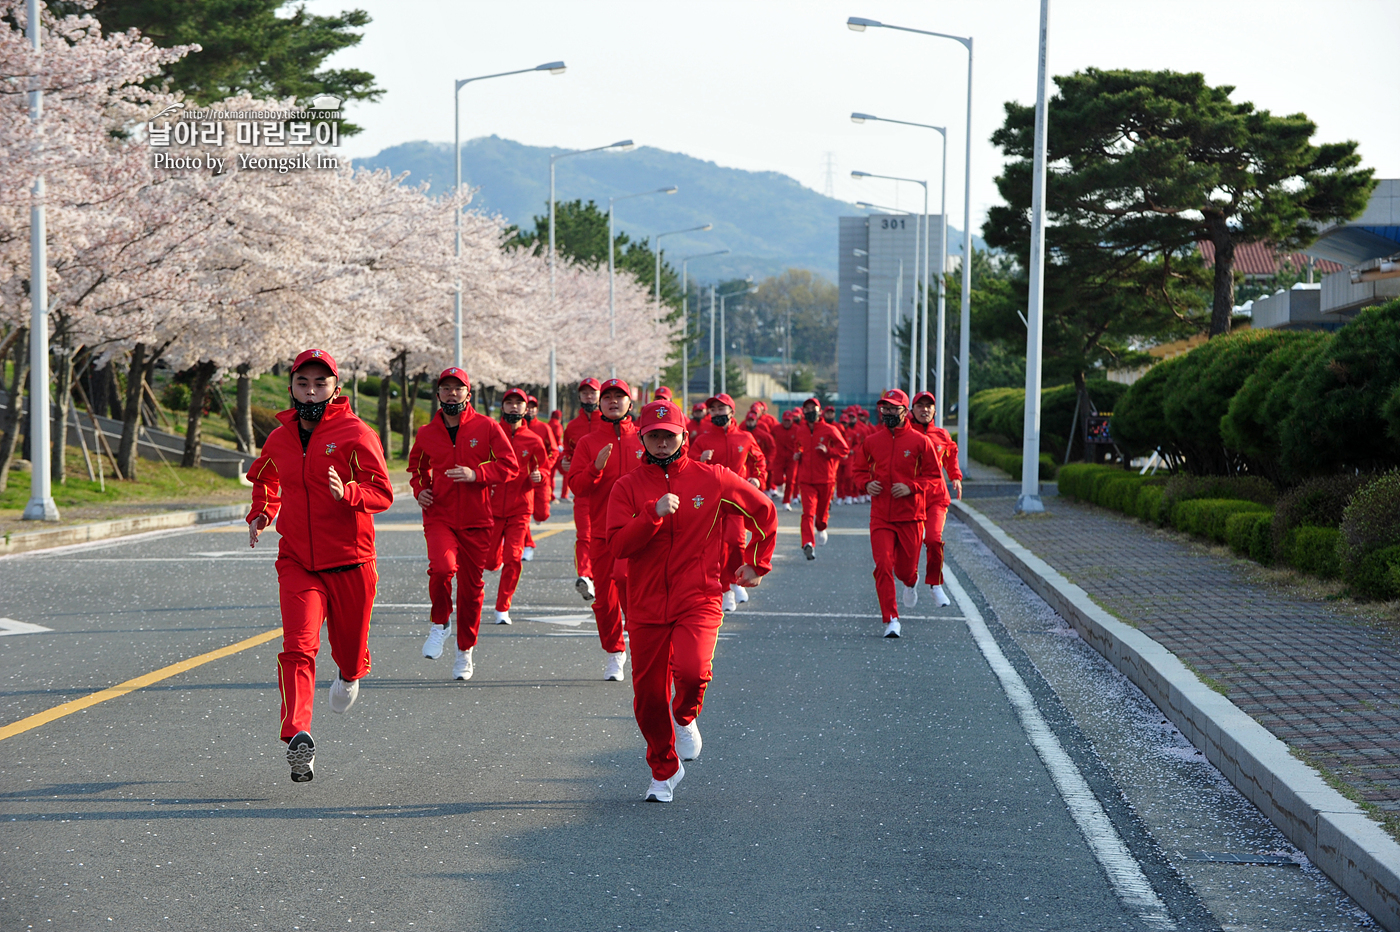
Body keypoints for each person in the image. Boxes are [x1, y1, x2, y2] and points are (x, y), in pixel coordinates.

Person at [607, 400, 777, 802]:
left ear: (684, 436)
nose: (662, 443)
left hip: (698, 596)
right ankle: (663, 771)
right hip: (646, 603)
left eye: (670, 435)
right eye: (654, 436)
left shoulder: (713, 478)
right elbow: (617, 545)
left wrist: (756, 563)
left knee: (692, 671)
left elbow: (764, 511)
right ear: (643, 439)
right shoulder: (627, 487)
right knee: (648, 697)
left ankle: (685, 717)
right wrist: (653, 513)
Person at [246, 348, 394, 783]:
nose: (311, 391)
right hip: (298, 561)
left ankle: (350, 674)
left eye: (320, 383)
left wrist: (348, 492)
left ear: (336, 388)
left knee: (347, 653)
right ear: (291, 387)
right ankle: (297, 735)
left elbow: (382, 493)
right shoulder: (280, 437)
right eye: (303, 383)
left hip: (350, 561)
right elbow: (267, 479)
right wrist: (261, 513)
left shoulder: (355, 433)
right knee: (298, 646)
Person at [408, 367, 520, 681]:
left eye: (458, 388)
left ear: (467, 393)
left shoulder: (486, 427)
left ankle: (464, 651)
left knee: (471, 590)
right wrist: (421, 490)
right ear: (438, 394)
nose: (452, 393)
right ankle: (440, 622)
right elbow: (416, 467)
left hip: (477, 518)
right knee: (442, 568)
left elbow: (509, 466)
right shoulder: (427, 432)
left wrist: (477, 474)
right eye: (446, 388)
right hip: (439, 514)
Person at [566, 378, 643, 681]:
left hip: (641, 532)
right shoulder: (587, 443)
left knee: (629, 584)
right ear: (599, 404)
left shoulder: (644, 439)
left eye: (619, 397)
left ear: (629, 404)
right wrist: (595, 468)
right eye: (607, 397)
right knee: (605, 600)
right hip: (603, 531)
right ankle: (615, 653)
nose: (613, 401)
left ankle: (640, 643)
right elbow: (577, 486)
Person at [850, 389, 941, 639]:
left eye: (893, 409)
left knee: (904, 571)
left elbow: (934, 477)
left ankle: (911, 582)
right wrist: (866, 484)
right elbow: (857, 469)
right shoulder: (872, 441)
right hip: (881, 516)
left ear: (905, 412)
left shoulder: (921, 442)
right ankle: (891, 619)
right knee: (883, 565)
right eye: (885, 409)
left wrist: (911, 487)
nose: (888, 413)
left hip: (911, 516)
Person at [690, 393, 767, 611]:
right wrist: (700, 460)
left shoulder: (744, 437)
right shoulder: (703, 440)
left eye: (720, 409)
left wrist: (758, 479)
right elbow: (687, 466)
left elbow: (759, 459)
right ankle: (725, 591)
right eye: (712, 410)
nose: (716, 413)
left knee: (736, 542)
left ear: (731, 412)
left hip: (736, 499)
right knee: (716, 547)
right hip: (711, 502)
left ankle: (734, 581)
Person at [486, 388, 549, 625]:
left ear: (526, 408)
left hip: (520, 507)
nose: (514, 407)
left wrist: (540, 477)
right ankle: (494, 562)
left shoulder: (533, 440)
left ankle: (503, 607)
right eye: (509, 402)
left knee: (513, 557)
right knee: (490, 561)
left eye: (518, 403)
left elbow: (543, 469)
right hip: (490, 508)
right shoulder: (491, 433)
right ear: (502, 407)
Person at [909, 390, 962, 607]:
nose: (924, 409)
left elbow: (951, 457)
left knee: (933, 539)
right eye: (919, 405)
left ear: (935, 411)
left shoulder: (942, 435)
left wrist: (956, 477)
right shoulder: (904, 434)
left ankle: (935, 584)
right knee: (910, 546)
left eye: (928, 405)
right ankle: (910, 581)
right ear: (911, 411)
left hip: (936, 497)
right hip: (910, 498)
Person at [561, 378, 603, 601]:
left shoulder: (607, 423)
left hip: (607, 492)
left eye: (592, 393)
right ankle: (585, 577)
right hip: (583, 491)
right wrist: (564, 464)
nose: (589, 397)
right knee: (584, 536)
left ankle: (601, 577)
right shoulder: (572, 427)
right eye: (584, 393)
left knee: (606, 537)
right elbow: (565, 455)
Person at [793, 397, 848, 560]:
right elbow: (798, 446)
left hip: (826, 478)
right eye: (807, 409)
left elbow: (844, 449)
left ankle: (821, 527)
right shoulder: (801, 430)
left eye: (813, 408)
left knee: (821, 515)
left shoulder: (829, 429)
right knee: (808, 513)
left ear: (819, 411)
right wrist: (798, 455)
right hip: (806, 479)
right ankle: (808, 543)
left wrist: (828, 451)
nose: (810, 411)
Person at [520, 394, 555, 562]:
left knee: (541, 515)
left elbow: (554, 451)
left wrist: (543, 470)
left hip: (540, 477)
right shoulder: (514, 428)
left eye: (533, 406)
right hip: (521, 481)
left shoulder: (544, 428)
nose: (530, 410)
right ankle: (527, 545)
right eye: (528, 406)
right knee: (522, 514)